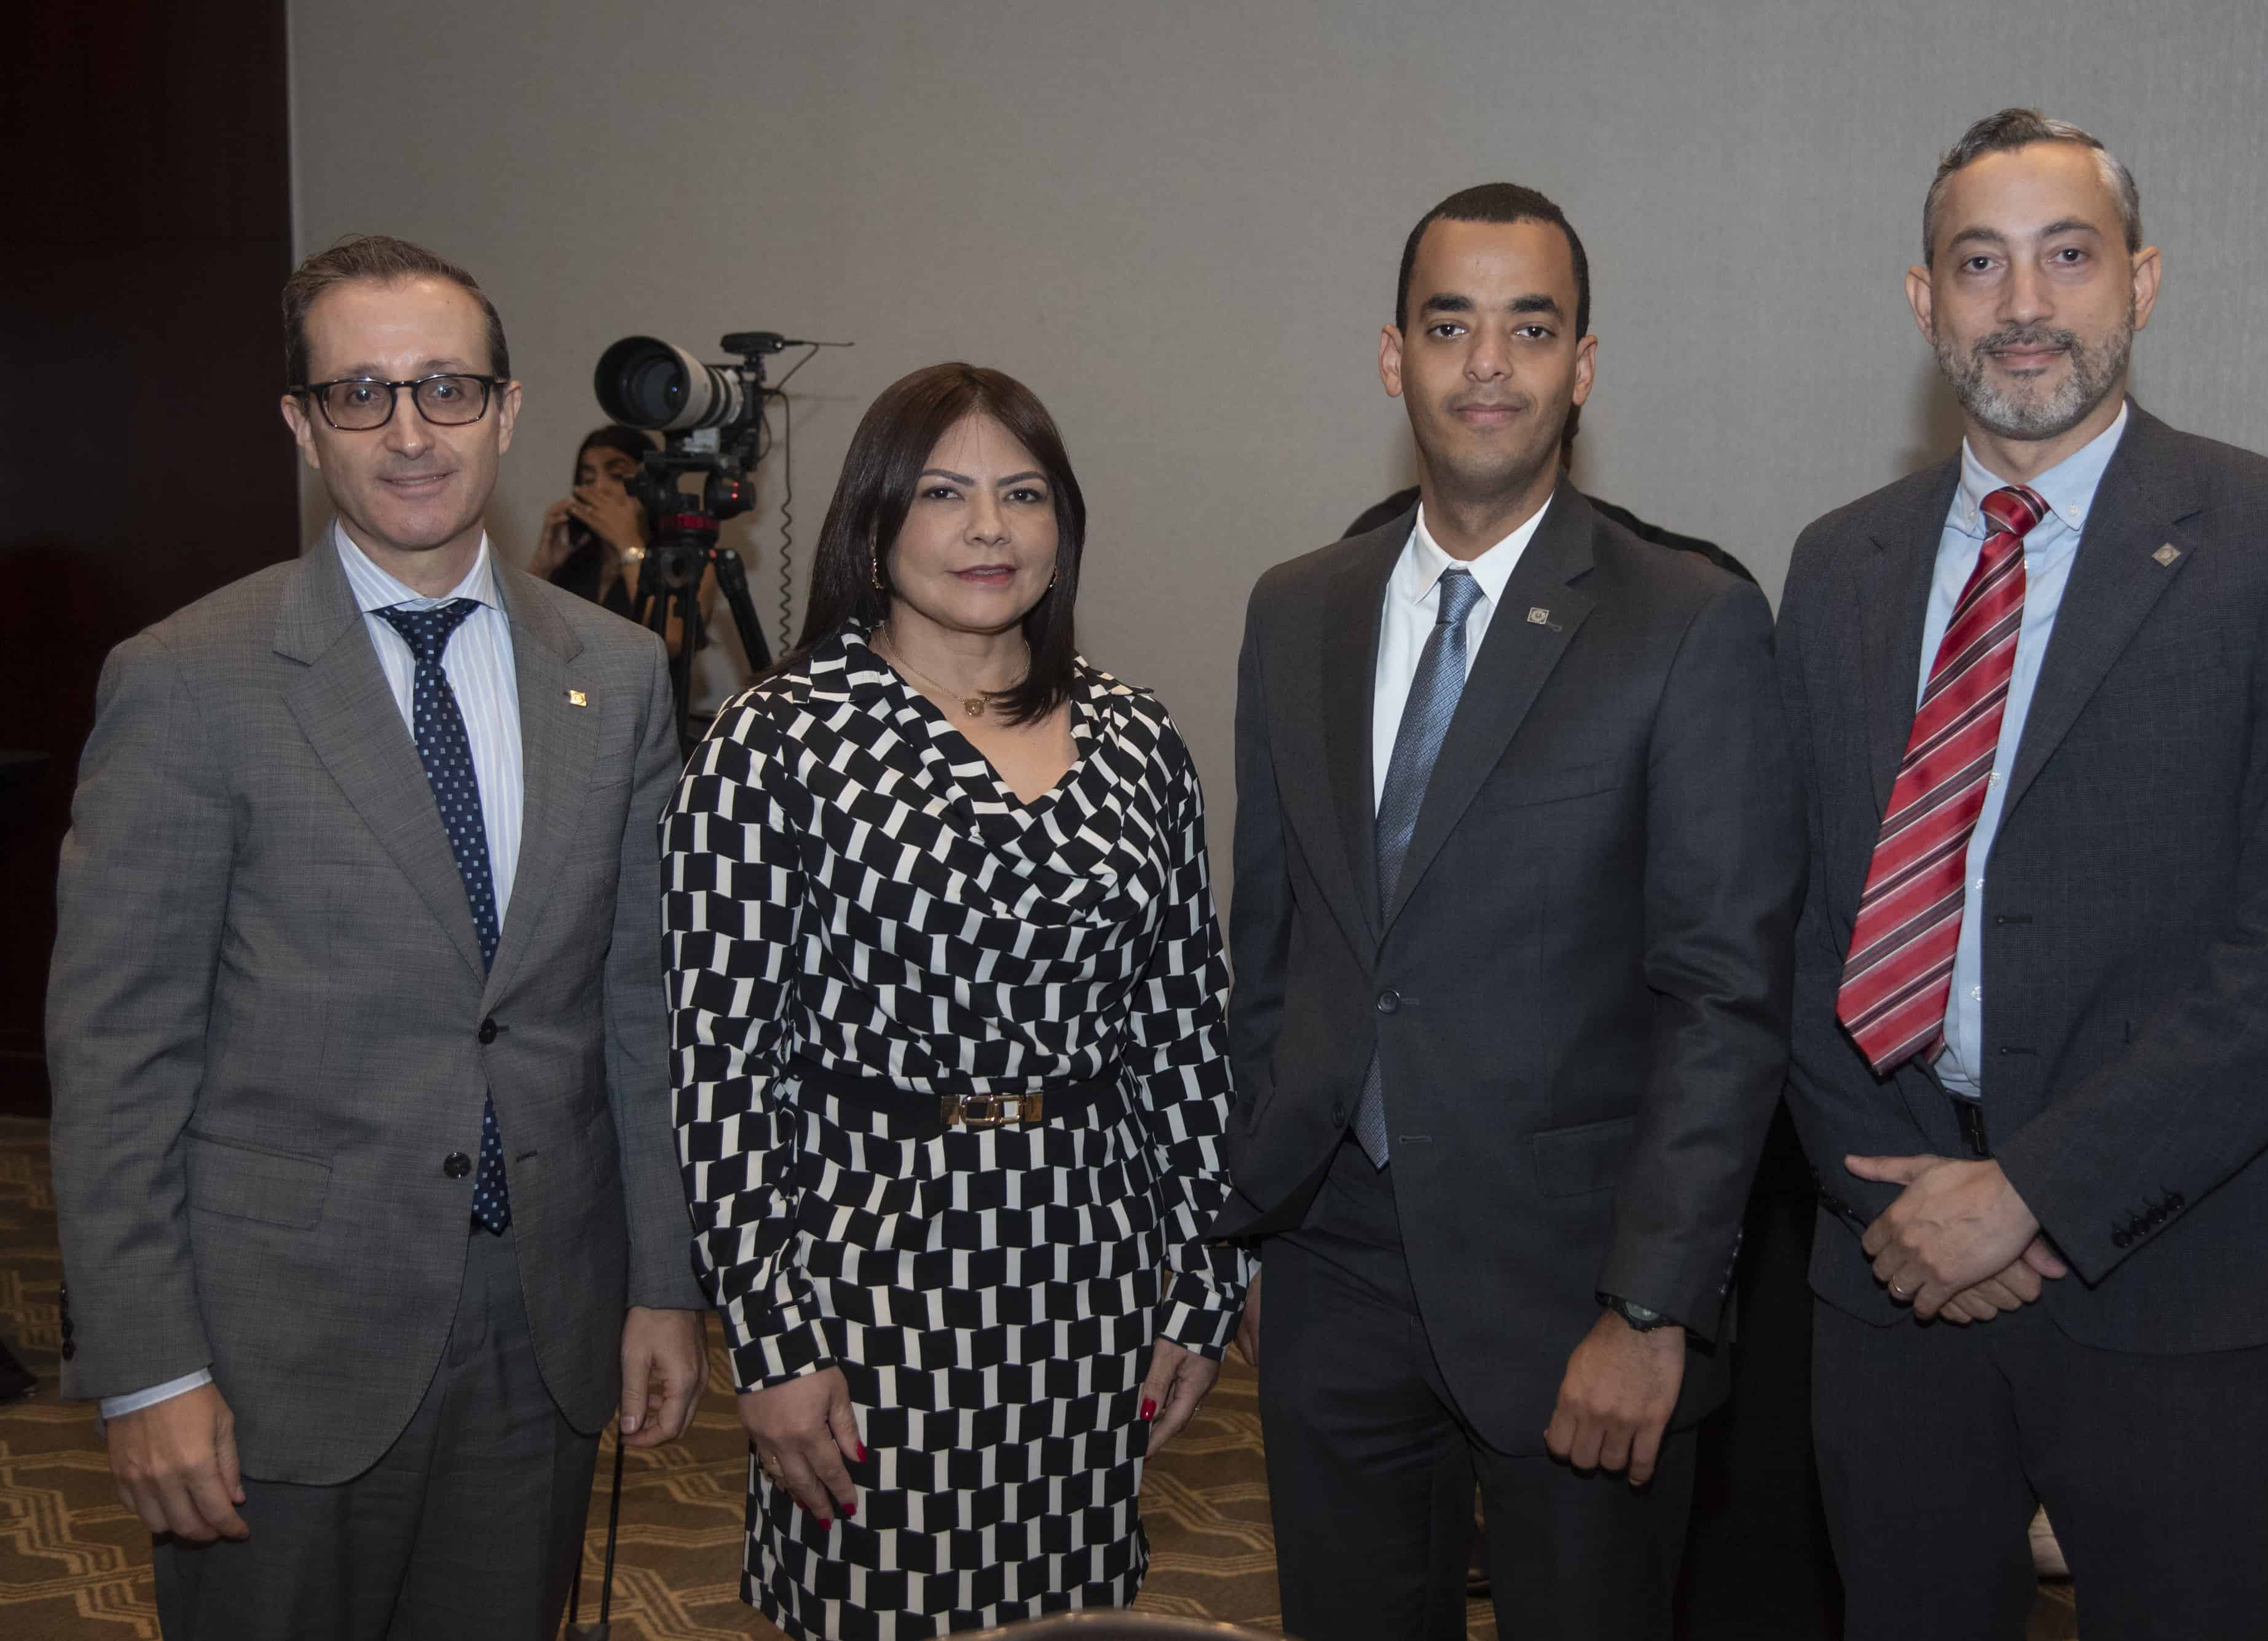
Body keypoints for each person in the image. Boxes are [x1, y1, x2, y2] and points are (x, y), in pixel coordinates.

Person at [1779, 109, 2268, 1641]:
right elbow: (1791, 914)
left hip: (2174, 1269)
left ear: (2141, 280)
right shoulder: (1837, 561)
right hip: (1890, 1262)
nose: (2023, 304)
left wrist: (2035, 1194)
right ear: (1921, 301)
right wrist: (1889, 1194)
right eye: (1976, 263)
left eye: (2066, 256)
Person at [45, 233, 708, 1639]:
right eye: (359, 394)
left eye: (446, 388)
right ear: (303, 425)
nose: (410, 433)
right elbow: (116, 1057)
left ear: (506, 410)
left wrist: (662, 1282)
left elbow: (638, 1011)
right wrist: (148, 1369)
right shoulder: (188, 682)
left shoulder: (616, 675)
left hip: (542, 1325)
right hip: (275, 1350)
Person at [1214, 181, 1803, 1639]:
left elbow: (1723, 999)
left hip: (1575, 1293)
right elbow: (1268, 946)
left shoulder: (1686, 621)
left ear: (1581, 366)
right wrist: (1251, 1219)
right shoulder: (1294, 609)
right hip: (1331, 1270)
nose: (1487, 364)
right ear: (1391, 357)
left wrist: (1653, 1308)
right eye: (1448, 326)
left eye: (1529, 329)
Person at [663, 361, 1253, 1639]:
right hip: (864, 1273)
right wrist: (771, 1339)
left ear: (1064, 525)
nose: (989, 528)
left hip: (1089, 1266)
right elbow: (720, 1067)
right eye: (942, 493)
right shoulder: (776, 741)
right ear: (873, 522)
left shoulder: (1137, 739)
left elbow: (1185, 1032)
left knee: (1071, 1619)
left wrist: (1205, 1281)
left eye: (1023, 494)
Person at [529, 422, 714, 658]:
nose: (599, 488)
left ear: (651, 486)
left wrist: (629, 545)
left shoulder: (687, 558)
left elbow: (673, 640)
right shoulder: (576, 558)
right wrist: (543, 565)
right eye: (588, 479)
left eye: (617, 476)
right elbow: (519, 636)